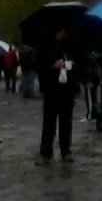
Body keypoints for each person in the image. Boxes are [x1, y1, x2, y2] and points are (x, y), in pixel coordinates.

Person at [36, 28, 78, 163]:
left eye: (64, 31)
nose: (62, 34)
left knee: (66, 122)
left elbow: (79, 64)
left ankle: (66, 151)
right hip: (51, 90)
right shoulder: (45, 48)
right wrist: (51, 65)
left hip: (67, 90)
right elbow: (39, 66)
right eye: (59, 31)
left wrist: (70, 65)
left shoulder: (70, 47)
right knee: (49, 122)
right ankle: (46, 152)